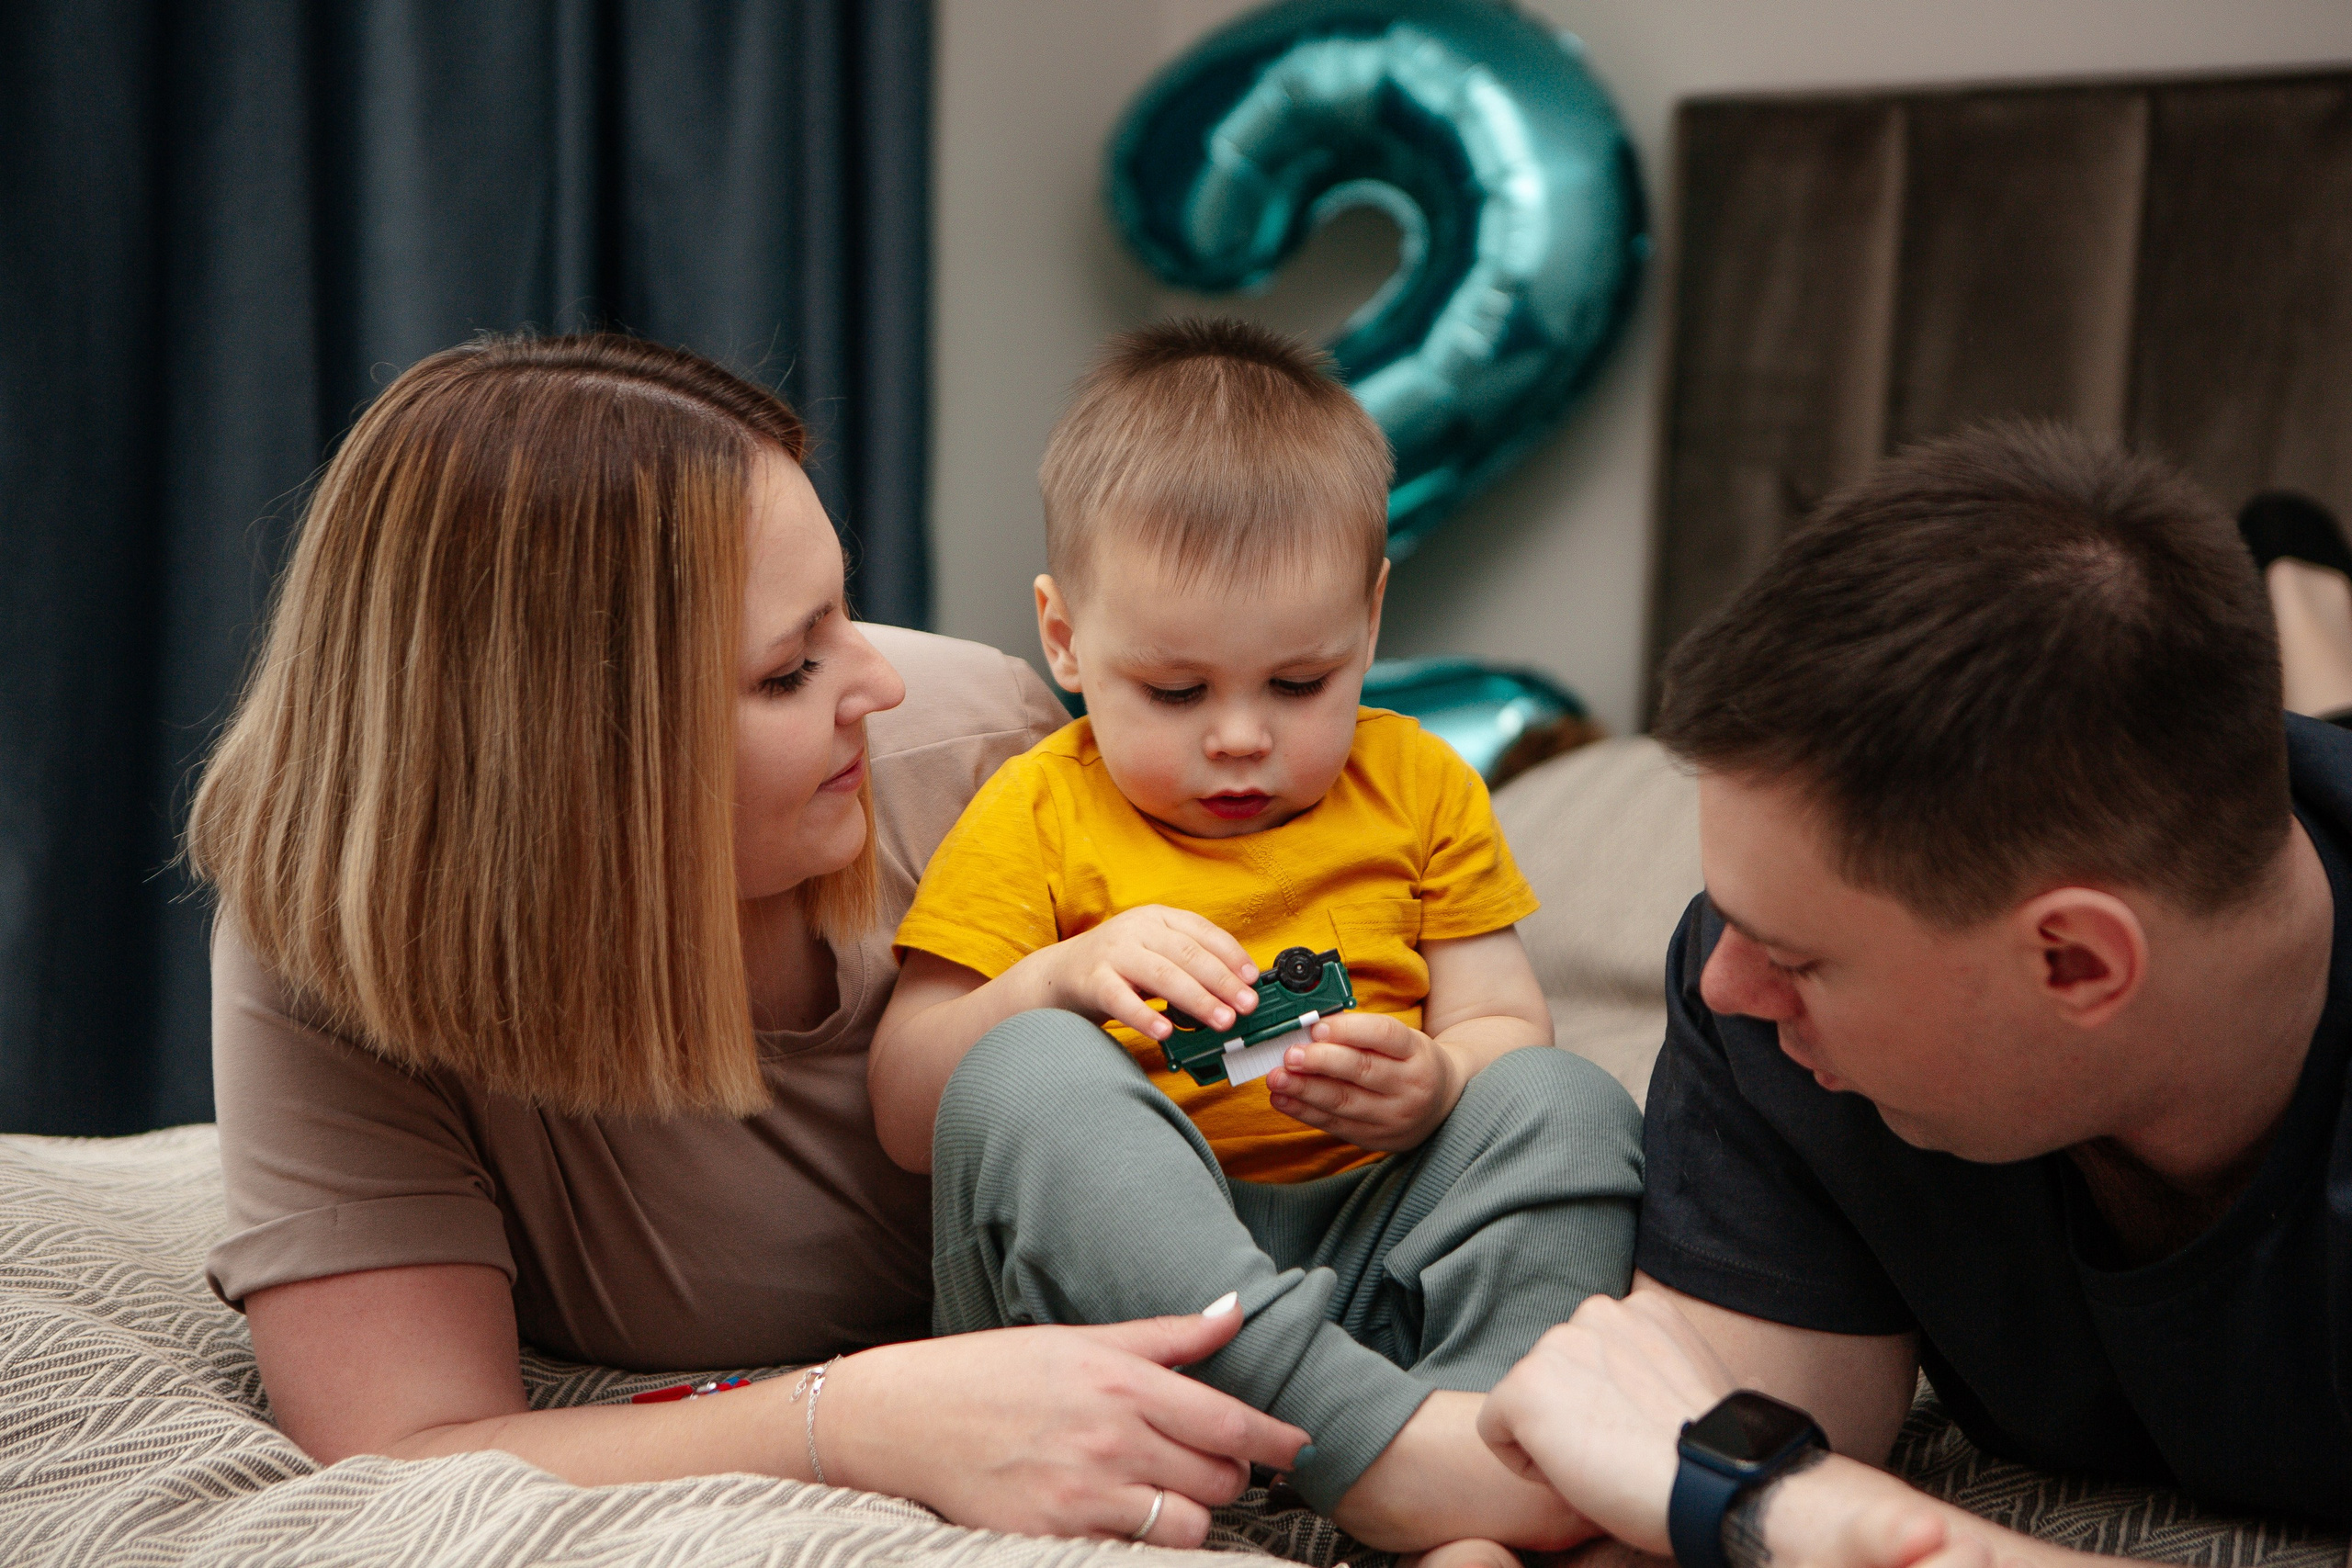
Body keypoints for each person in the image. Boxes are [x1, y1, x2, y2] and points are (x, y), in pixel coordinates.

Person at [186, 333, 1312, 1548]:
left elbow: (1255, 1095)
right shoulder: (334, 935)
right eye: (792, 668)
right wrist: (855, 1416)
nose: (876, 679)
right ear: (575, 753)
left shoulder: (983, 752)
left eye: (847, 608)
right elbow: (407, 1440)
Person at [1476, 422, 2352, 1568]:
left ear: (2076, 963)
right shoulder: (1762, 1003)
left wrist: (1784, 1514)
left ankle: (2305, 595)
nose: (1724, 987)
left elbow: (1737, 1489)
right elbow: (1655, 1445)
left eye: (1798, 960)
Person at [866, 319, 1645, 1561]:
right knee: (1023, 1067)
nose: (1241, 736)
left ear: (1372, 617)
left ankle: (1485, 1436)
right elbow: (913, 1111)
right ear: (1064, 639)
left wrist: (1441, 1077)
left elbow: (1505, 1028)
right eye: (1176, 691)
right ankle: (1386, 1460)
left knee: (1567, 1094)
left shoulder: (1422, 783)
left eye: (1299, 683)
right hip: (1116, 1316)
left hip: (1377, 1259)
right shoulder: (1038, 806)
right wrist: (1053, 981)